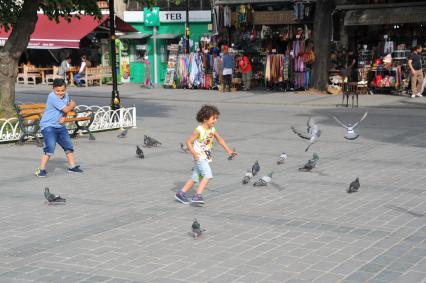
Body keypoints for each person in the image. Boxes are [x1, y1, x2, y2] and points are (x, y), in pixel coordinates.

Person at [175, 105, 237, 204]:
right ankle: (197, 196)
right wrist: (194, 154)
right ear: (205, 119)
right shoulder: (199, 130)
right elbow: (188, 142)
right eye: (213, 118)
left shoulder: (212, 129)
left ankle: (181, 193)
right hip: (199, 157)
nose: (215, 120)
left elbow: (220, 140)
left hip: (205, 156)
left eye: (216, 118)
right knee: (208, 175)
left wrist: (229, 151)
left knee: (195, 177)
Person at [35, 78, 83, 177]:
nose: (60, 93)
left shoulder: (66, 95)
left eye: (62, 90)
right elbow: (67, 108)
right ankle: (41, 169)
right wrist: (73, 104)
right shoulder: (52, 97)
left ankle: (72, 166)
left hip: (59, 125)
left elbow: (66, 108)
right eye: (58, 91)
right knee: (50, 147)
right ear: (53, 89)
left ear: (65, 89)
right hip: (48, 126)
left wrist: (64, 117)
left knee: (68, 145)